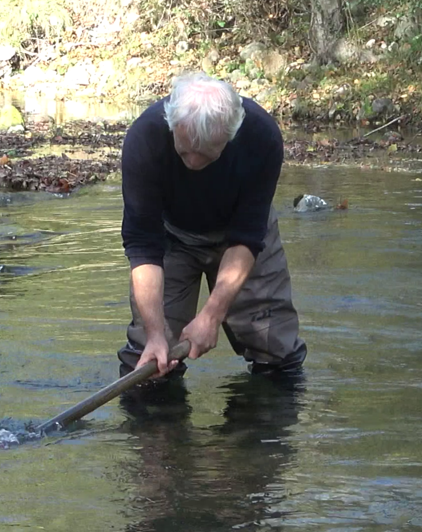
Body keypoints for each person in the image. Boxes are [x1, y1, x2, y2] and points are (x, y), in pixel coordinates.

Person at [120, 71, 306, 379]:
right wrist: (155, 334)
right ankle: (158, 425)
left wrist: (212, 314)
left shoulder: (261, 136)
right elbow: (143, 247)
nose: (192, 163)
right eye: (184, 153)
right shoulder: (145, 139)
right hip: (170, 238)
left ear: (231, 134)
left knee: (276, 350)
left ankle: (262, 424)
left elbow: (247, 236)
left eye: (206, 156)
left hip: (242, 238)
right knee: (149, 361)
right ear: (171, 125)